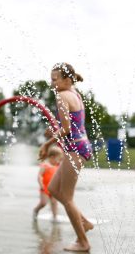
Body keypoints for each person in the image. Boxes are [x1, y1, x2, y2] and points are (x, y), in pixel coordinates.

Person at [39, 62, 93, 252]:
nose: (51, 83)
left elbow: (68, 129)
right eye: (51, 79)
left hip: (75, 150)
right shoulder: (74, 94)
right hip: (79, 146)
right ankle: (84, 222)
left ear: (67, 80)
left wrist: (47, 144)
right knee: (54, 189)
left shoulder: (62, 96)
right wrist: (55, 130)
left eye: (55, 79)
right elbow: (71, 125)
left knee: (67, 198)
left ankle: (83, 242)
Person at [33, 145, 62, 220]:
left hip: (53, 188)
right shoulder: (45, 165)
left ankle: (55, 217)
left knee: (54, 202)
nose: (58, 161)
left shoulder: (57, 166)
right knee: (43, 203)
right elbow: (39, 176)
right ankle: (36, 210)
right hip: (45, 188)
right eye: (57, 159)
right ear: (52, 157)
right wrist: (41, 185)